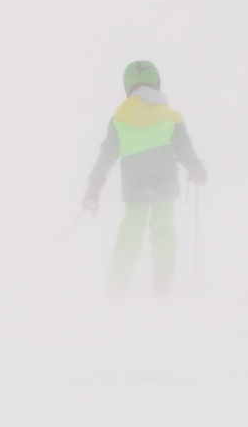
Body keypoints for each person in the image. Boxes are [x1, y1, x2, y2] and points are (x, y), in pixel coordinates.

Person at [84, 60, 207, 296]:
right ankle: (162, 281)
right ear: (156, 83)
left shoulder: (119, 118)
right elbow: (183, 149)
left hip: (135, 185)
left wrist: (94, 186)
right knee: (163, 230)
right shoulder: (171, 115)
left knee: (131, 230)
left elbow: (106, 155)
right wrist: (197, 169)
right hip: (164, 182)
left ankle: (117, 284)